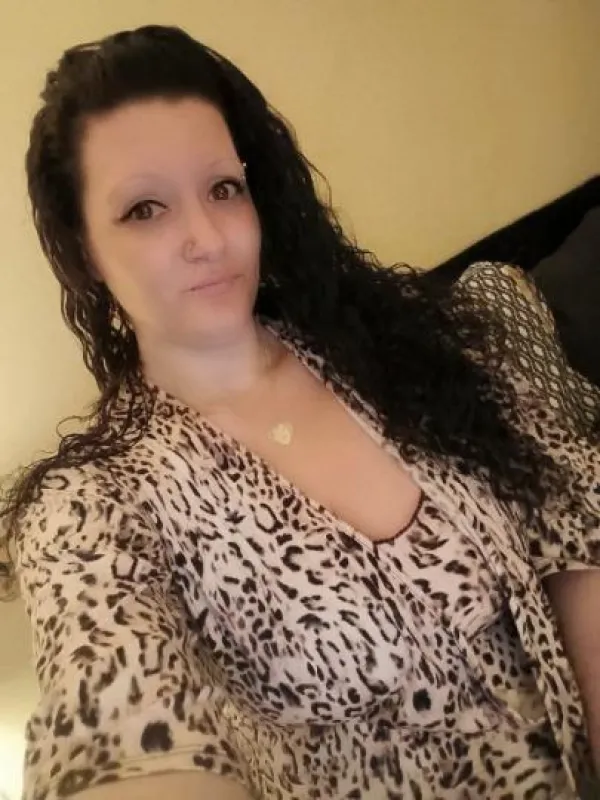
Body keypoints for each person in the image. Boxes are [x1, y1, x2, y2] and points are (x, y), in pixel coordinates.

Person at [1, 24, 599, 800]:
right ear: (85, 251)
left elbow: (569, 524)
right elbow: (117, 724)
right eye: (145, 208)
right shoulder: (93, 504)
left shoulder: (404, 343)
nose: (207, 237)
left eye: (224, 189)